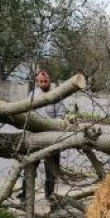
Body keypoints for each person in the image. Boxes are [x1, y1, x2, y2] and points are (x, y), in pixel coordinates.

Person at [20, 70, 66, 204]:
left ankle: (49, 194)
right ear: (37, 81)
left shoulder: (57, 95)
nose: (43, 83)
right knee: (29, 164)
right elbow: (28, 115)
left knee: (51, 168)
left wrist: (53, 130)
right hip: (35, 136)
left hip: (52, 137)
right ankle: (25, 194)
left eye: (46, 81)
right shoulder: (33, 95)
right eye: (41, 81)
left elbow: (60, 117)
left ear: (49, 80)